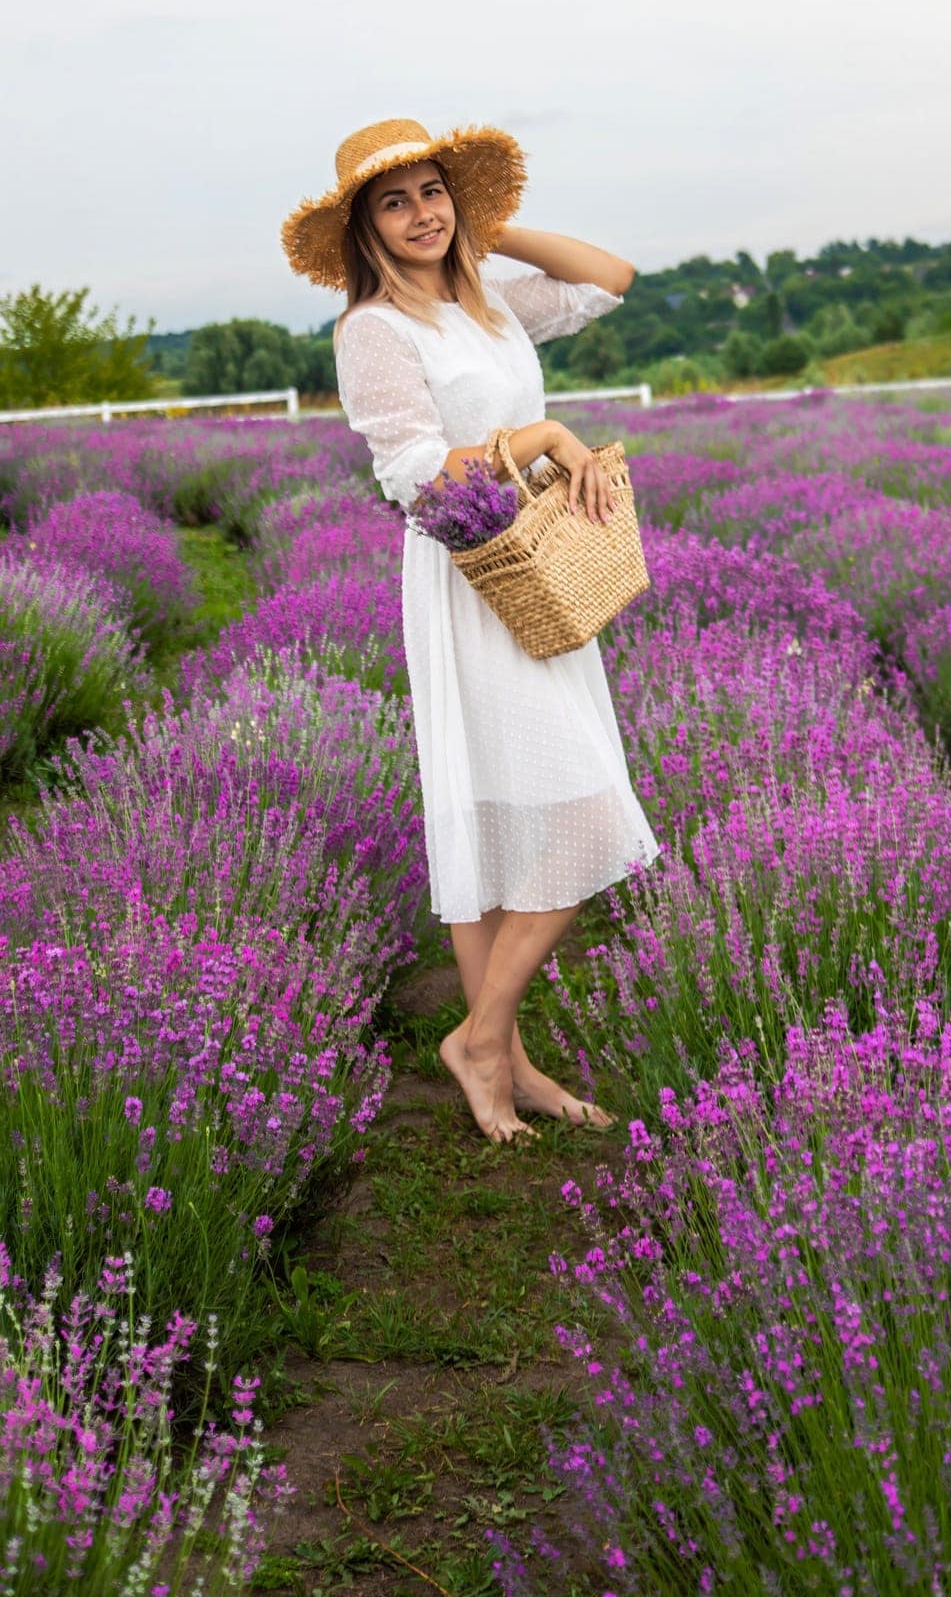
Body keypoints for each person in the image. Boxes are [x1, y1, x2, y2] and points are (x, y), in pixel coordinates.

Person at [281, 117, 662, 1146]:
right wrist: (537, 437)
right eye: (393, 201)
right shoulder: (373, 329)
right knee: (563, 811)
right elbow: (410, 474)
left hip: (534, 565)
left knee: (521, 813)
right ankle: (485, 1041)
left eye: (432, 192)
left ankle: (499, 1048)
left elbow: (611, 273)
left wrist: (493, 227)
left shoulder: (489, 307)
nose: (420, 214)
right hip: (464, 575)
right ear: (363, 227)